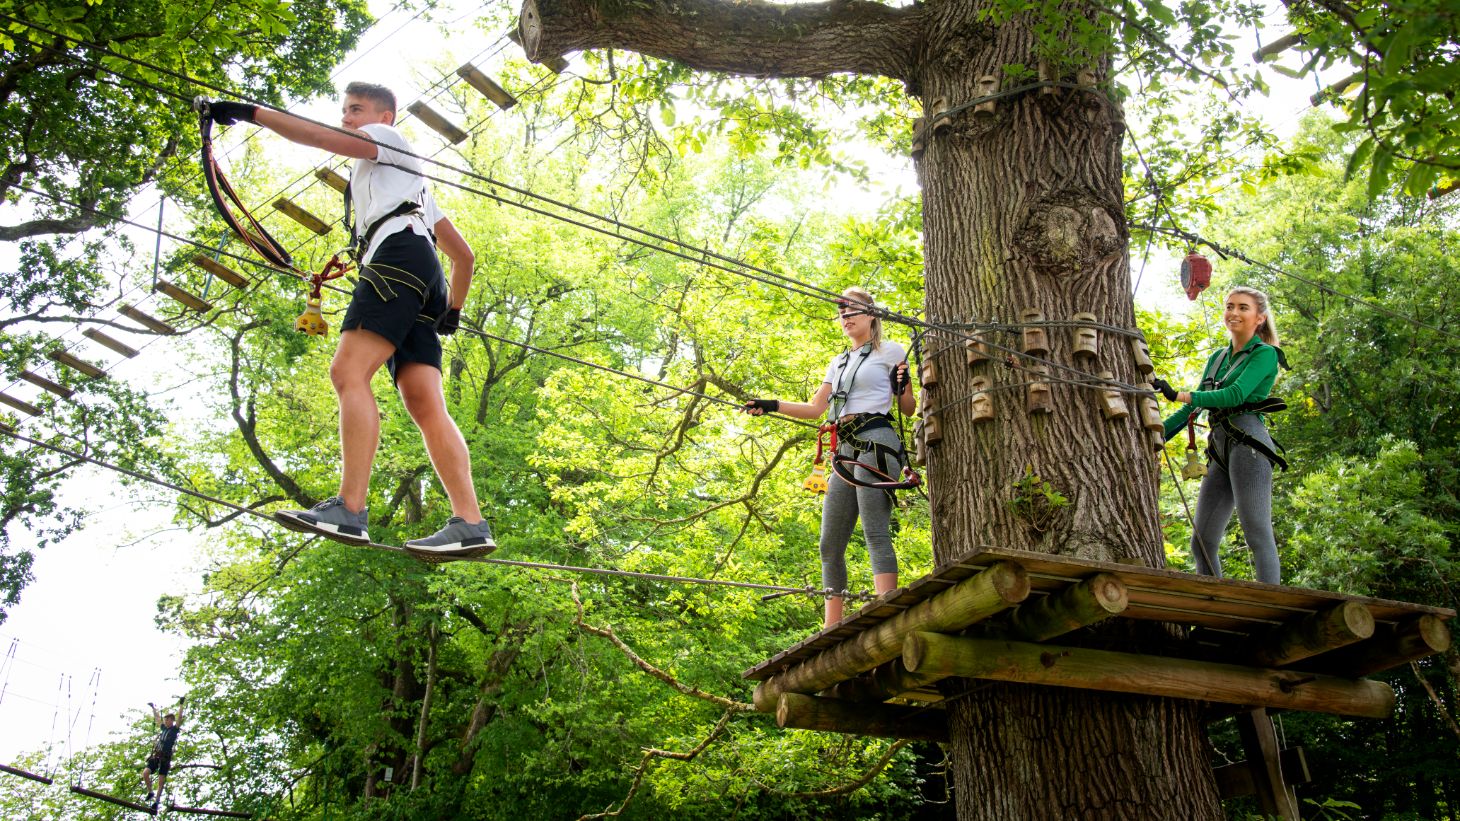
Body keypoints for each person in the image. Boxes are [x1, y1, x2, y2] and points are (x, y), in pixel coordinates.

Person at [203, 84, 495, 561]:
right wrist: (452, 311)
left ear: (386, 115)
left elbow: (317, 139)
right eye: (344, 112)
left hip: (396, 259)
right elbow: (462, 256)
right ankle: (470, 522)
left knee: (348, 373)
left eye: (355, 110)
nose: (347, 119)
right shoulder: (414, 189)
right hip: (426, 273)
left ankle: (350, 509)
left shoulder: (387, 139)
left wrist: (250, 112)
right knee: (424, 402)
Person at [741, 287, 916, 628]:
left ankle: (888, 612)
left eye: (852, 310)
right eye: (841, 312)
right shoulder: (838, 362)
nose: (845, 317)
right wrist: (771, 405)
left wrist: (903, 387)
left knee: (874, 530)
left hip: (876, 442)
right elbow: (815, 408)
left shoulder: (890, 351)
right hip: (843, 449)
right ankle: (831, 626)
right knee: (829, 542)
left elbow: (908, 409)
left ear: (871, 314)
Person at [1153, 286, 1286, 584]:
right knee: (1203, 541)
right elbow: (1195, 407)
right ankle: (1210, 605)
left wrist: (1180, 394)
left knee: (1256, 532)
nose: (1234, 313)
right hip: (1220, 449)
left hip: (1248, 444)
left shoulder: (1265, 355)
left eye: (1243, 308)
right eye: (1229, 306)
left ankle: (1268, 609)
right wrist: (1156, 436)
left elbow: (1235, 395)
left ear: (1259, 318)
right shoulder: (1216, 358)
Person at [140, 698, 183, 805]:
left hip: (165, 757)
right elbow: (157, 718)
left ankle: (157, 801)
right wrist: (153, 708)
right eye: (165, 720)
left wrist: (181, 705)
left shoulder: (174, 730)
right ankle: (150, 792)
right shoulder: (164, 728)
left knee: (161, 780)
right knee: (145, 773)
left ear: (171, 720)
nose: (165, 721)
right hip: (157, 756)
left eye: (167, 720)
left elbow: (180, 718)